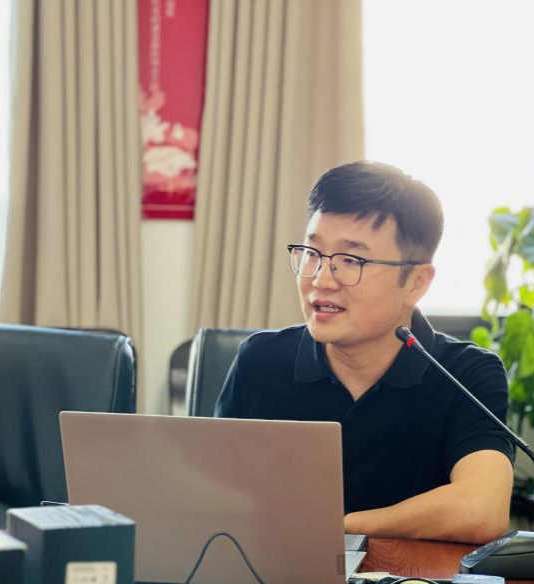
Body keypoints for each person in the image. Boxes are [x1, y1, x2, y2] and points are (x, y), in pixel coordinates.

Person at [215, 161, 514, 543]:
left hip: (413, 581)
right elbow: (213, 496)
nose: (321, 279)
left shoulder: (465, 373)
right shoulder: (260, 361)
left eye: (350, 261)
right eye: (312, 253)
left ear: (416, 282)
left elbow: (481, 509)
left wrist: (336, 530)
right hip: (277, 572)